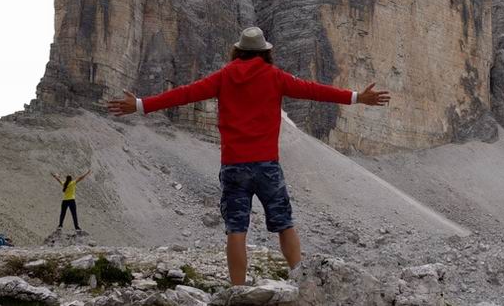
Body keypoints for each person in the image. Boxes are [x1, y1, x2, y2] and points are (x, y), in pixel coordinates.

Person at [107, 27, 390, 285]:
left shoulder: (223, 76)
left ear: (238, 51)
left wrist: (142, 105)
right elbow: (314, 91)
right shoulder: (275, 77)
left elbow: (185, 93)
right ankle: (302, 281)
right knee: (284, 224)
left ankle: (238, 291)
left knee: (236, 229)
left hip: (233, 167)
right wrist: (355, 97)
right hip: (267, 166)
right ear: (266, 52)